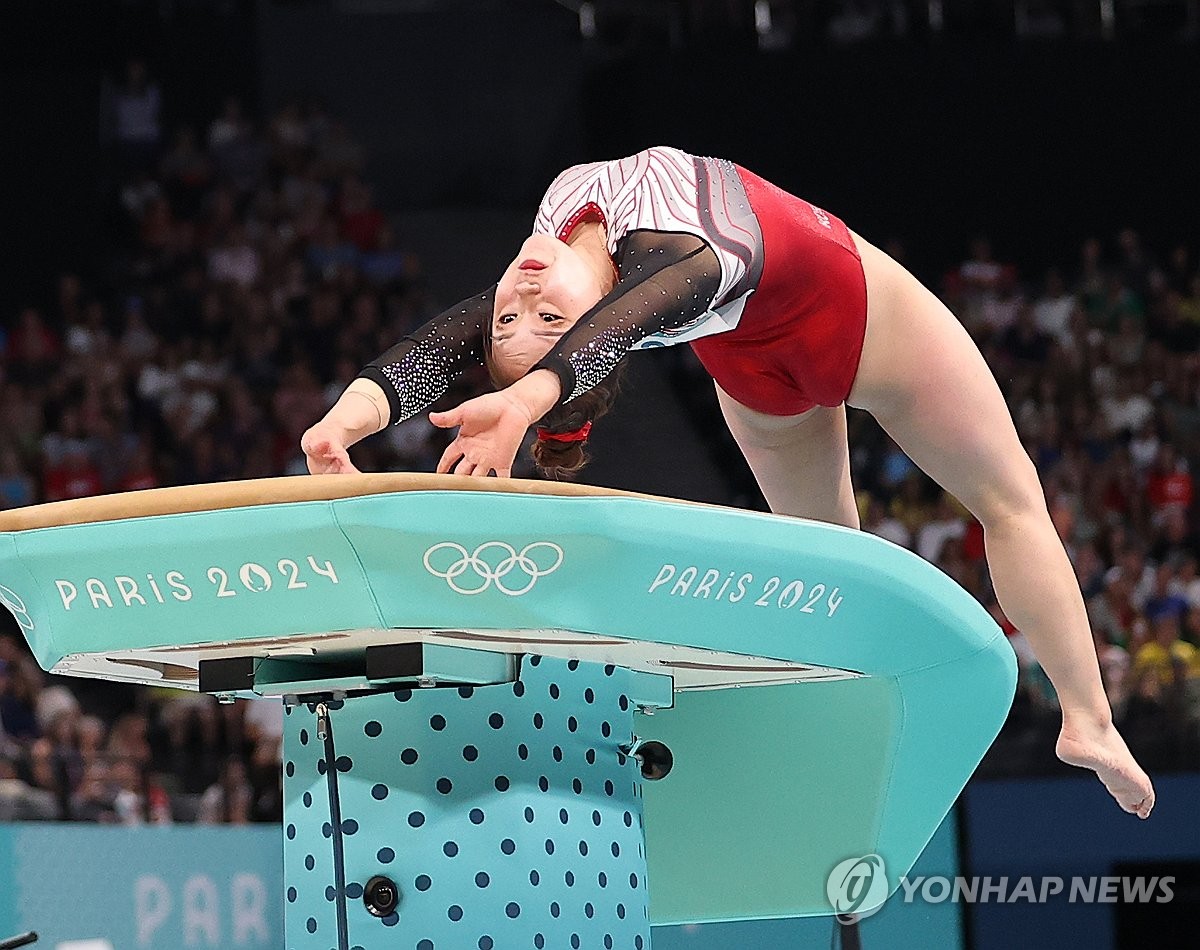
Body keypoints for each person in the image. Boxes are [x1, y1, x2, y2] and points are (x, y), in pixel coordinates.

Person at [302, 145, 1155, 818]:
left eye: (514, 318)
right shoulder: (671, 261)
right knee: (976, 514)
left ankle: (1082, 721)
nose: (518, 296)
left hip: (763, 351)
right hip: (850, 320)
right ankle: (1079, 717)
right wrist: (512, 400)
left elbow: (444, 345)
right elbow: (622, 319)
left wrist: (347, 415)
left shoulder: (563, 230)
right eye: (542, 319)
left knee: (915, 537)